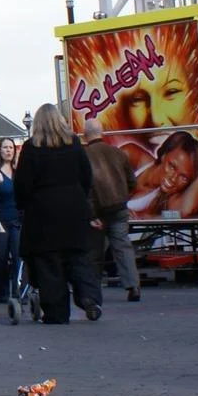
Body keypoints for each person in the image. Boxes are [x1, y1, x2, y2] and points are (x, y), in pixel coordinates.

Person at [13, 103, 99, 324]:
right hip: (74, 208)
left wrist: (23, 205)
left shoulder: (32, 148)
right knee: (78, 257)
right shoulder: (74, 144)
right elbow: (86, 176)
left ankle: (56, 312)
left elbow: (23, 184)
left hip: (43, 212)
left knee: (48, 264)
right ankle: (89, 297)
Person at [84, 122, 141, 301]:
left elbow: (86, 188)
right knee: (123, 247)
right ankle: (133, 286)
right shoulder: (118, 153)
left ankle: (92, 291)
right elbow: (132, 182)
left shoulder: (84, 155)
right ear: (102, 132)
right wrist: (123, 196)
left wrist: (91, 214)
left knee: (95, 252)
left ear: (85, 135)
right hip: (119, 207)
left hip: (97, 211)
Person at [126, 130, 198, 219]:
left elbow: (182, 213)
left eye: (184, 177)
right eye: (172, 166)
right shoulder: (134, 157)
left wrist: (146, 217)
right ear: (163, 155)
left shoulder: (169, 198)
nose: (173, 179)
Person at [0, 136, 22, 310]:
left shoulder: (19, 172)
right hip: (0, 220)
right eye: (5, 147)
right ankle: (0, 290)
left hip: (17, 220)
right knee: (1, 257)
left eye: (11, 147)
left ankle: (17, 291)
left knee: (17, 256)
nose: (9, 150)